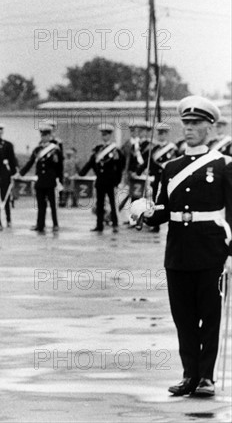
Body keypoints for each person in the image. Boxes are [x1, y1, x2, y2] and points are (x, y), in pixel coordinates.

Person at [130, 96, 232, 398]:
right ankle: (189, 375)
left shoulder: (224, 165)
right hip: (178, 252)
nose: (189, 129)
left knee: (210, 316)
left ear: (209, 128)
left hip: (212, 251)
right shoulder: (170, 167)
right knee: (183, 318)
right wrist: (144, 211)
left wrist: (231, 255)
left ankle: (206, 378)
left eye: (196, 124)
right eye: (186, 123)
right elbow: (162, 212)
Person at [16, 124, 63, 232]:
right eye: (42, 135)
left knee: (52, 204)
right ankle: (40, 224)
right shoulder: (37, 150)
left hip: (51, 180)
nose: (44, 137)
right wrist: (21, 173)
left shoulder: (55, 150)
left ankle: (55, 224)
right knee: (40, 205)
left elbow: (59, 166)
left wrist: (59, 180)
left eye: (46, 135)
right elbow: (30, 162)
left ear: (50, 136)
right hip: (40, 180)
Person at [79, 124, 124, 233]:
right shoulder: (98, 149)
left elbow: (120, 166)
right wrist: (81, 173)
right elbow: (91, 162)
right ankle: (99, 225)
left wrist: (117, 180)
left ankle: (115, 224)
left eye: (106, 135)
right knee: (99, 204)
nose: (104, 137)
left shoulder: (115, 149)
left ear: (110, 135)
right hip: (100, 181)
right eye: (103, 135)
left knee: (112, 204)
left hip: (110, 181)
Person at [140, 122, 178, 232]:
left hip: (170, 179)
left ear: (167, 134)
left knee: (172, 201)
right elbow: (148, 162)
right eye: (159, 133)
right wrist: (139, 170)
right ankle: (156, 224)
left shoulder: (172, 149)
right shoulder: (153, 148)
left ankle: (173, 222)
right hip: (157, 179)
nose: (161, 136)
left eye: (163, 133)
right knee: (157, 202)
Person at [0, 123, 18, 227]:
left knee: (6, 198)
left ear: (1, 133)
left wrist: (13, 174)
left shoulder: (8, 145)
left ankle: (8, 220)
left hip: (5, 175)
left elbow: (12, 160)